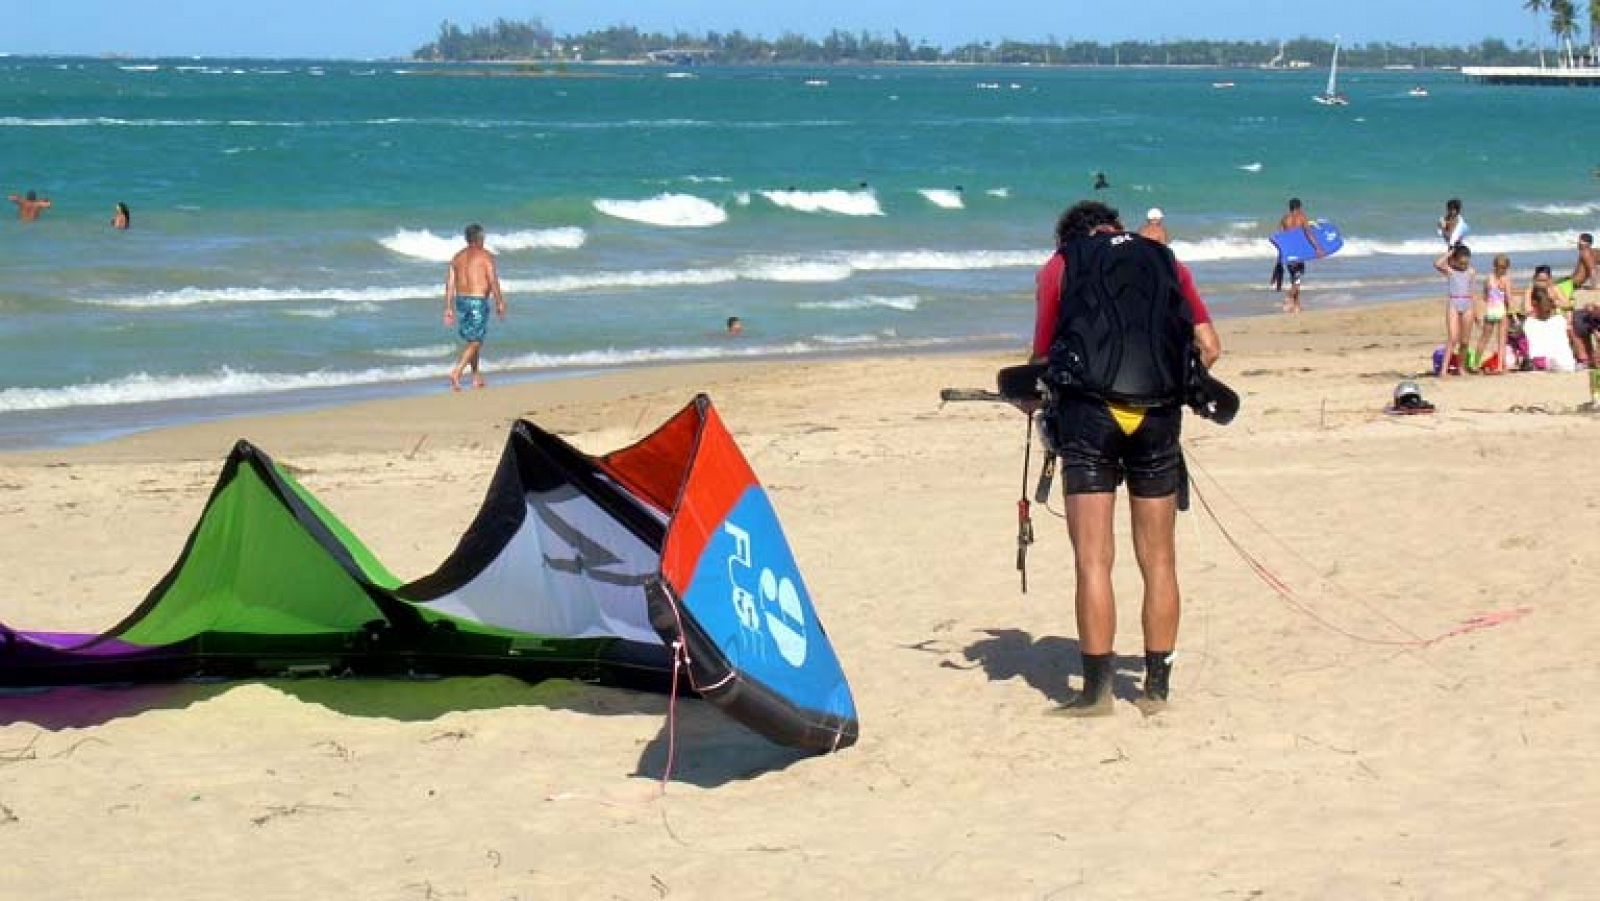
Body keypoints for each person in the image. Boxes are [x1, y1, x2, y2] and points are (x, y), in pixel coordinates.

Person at [1029, 199, 1222, 716]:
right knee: (1159, 559)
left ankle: (1095, 695)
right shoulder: (1166, 261)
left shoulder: (1061, 265)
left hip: (1091, 418)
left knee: (1094, 560)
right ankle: (1156, 690)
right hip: (1157, 417)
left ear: (1069, 236)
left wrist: (1035, 401)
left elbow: (1043, 359)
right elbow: (1210, 346)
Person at [442, 223, 506, 391]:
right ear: (480, 239)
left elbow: (449, 285)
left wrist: (448, 307)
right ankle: (457, 372)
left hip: (461, 300)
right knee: (476, 341)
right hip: (477, 301)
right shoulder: (485, 256)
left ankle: (476, 377)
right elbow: (493, 280)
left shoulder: (456, 257)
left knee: (472, 340)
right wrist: (499, 301)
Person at [1434, 244, 1477, 374]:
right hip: (1454, 303)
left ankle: (1461, 367)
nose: (1464, 265)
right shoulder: (1450, 271)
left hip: (1467, 304)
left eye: (1466, 262)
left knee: (1464, 341)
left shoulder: (1471, 272)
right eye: (1461, 263)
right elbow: (1437, 264)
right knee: (1453, 338)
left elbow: (1473, 292)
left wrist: (1477, 313)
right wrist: (1450, 252)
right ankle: (1444, 369)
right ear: (1455, 260)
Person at [1524, 285, 1578, 372]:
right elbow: (1568, 306)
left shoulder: (1528, 323)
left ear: (1534, 303)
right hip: (1566, 365)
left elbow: (1528, 309)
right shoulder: (1560, 320)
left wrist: (1528, 291)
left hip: (1539, 364)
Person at [1474, 254, 1513, 374]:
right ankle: (1495, 365)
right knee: (1490, 338)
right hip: (1498, 309)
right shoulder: (1505, 279)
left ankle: (1493, 365)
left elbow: (1486, 296)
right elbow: (1508, 298)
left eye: (1503, 267)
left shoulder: (1490, 278)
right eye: (1501, 267)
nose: (1502, 270)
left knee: (1495, 339)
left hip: (1494, 309)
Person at [1274, 197, 1311, 313]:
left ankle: (1297, 305)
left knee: (1294, 278)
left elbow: (1279, 238)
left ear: (1290, 207)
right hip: (1298, 252)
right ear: (1299, 207)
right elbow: (1309, 234)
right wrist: (1318, 248)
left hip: (1289, 253)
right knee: (1297, 279)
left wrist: (1281, 254)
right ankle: (1289, 297)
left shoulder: (1284, 219)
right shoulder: (1302, 217)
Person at [1555, 233, 1596, 312]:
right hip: (1571, 281)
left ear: (1583, 242)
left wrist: (1593, 287)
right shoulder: (1592, 251)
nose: (1577, 243)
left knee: (1550, 289)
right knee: (1554, 283)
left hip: (1572, 283)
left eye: (1579, 240)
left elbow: (1593, 269)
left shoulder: (1585, 252)